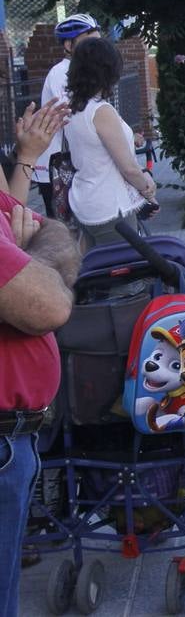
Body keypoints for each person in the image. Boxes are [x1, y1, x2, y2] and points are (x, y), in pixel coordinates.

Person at [0, 188, 79, 617]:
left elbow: (58, 235)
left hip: (14, 442)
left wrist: (27, 263)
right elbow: (48, 305)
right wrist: (23, 257)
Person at [63, 38, 156, 247]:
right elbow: (129, 168)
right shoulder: (101, 111)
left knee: (95, 273)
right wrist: (147, 187)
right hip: (110, 208)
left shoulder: (75, 107)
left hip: (85, 200)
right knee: (126, 273)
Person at [33, 14, 101, 217]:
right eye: (89, 43)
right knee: (65, 233)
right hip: (57, 167)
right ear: (69, 45)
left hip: (74, 164)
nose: (96, 49)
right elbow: (75, 115)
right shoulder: (61, 73)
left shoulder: (81, 71)